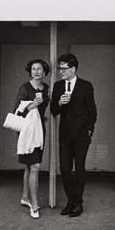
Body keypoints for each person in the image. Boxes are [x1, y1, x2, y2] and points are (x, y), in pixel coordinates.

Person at [49, 53, 97, 217]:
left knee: (80, 169)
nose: (60, 71)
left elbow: (93, 112)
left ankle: (76, 203)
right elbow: (53, 111)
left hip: (82, 135)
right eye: (59, 68)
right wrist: (59, 104)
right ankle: (73, 201)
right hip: (65, 135)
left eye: (63, 68)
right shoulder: (57, 86)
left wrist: (89, 131)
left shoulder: (85, 86)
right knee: (64, 168)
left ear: (73, 69)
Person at [15, 59, 51, 218]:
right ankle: (34, 205)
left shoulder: (46, 88)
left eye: (40, 69)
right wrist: (32, 105)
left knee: (29, 167)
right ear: (30, 72)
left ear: (44, 72)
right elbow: (17, 112)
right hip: (27, 132)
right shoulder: (24, 88)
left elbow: (43, 110)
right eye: (34, 69)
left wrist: (41, 116)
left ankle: (25, 197)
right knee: (35, 166)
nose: (36, 72)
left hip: (39, 130)